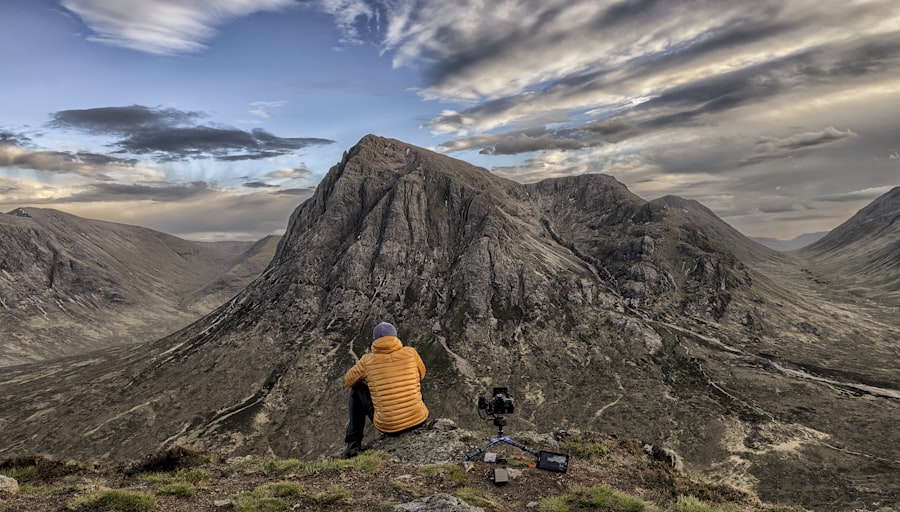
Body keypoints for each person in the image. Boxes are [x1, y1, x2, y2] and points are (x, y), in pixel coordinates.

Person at [340, 321, 429, 458]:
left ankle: (353, 444)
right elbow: (421, 374)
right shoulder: (411, 352)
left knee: (357, 390)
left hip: (389, 426)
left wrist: (370, 379)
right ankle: (413, 413)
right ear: (395, 337)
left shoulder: (367, 360)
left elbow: (348, 381)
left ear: (375, 340)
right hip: (418, 420)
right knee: (413, 382)